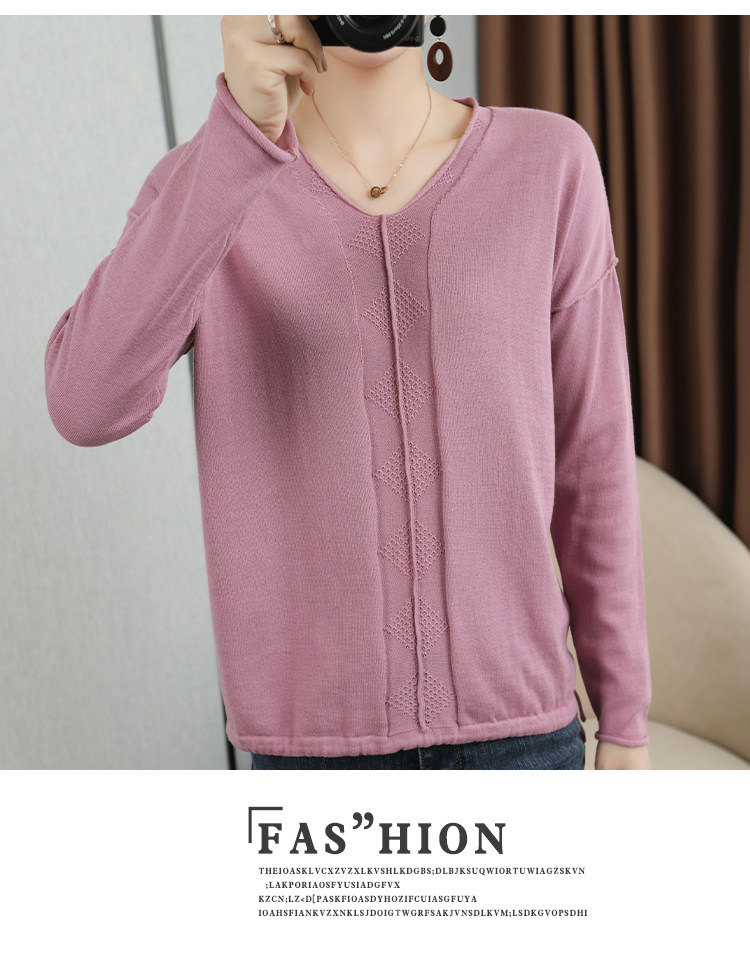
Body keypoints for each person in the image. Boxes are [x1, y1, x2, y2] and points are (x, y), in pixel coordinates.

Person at [44, 15, 652, 770]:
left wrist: (625, 722)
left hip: (524, 744)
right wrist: (239, 138)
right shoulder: (207, 183)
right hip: (311, 771)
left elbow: (594, 459)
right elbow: (85, 402)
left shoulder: (549, 163)